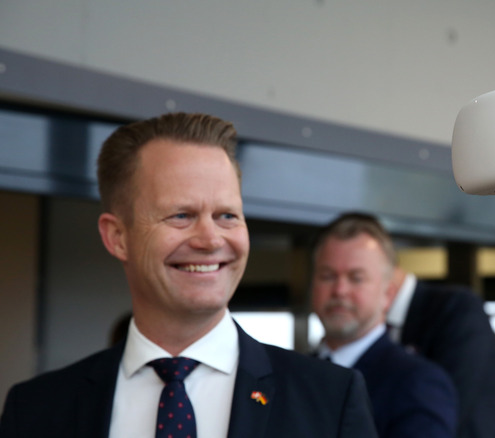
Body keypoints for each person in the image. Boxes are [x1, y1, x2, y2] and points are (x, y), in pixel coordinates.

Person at [0, 112, 377, 438]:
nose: (211, 239)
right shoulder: (36, 411)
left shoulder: (330, 401)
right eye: (181, 215)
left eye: (227, 215)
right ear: (118, 237)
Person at [311, 213, 458, 438]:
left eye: (356, 278)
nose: (339, 290)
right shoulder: (291, 374)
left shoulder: (418, 382)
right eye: (328, 276)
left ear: (388, 295)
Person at [386, 269, 495, 438]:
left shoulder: (458, 306)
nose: (342, 290)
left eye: (357, 277)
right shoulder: (379, 322)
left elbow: (448, 400)